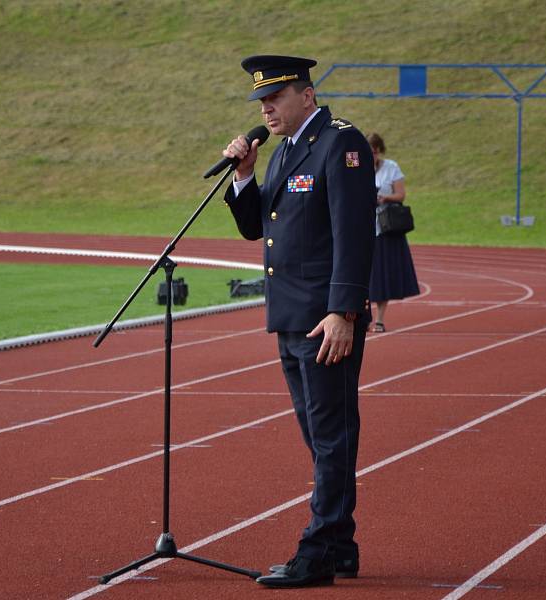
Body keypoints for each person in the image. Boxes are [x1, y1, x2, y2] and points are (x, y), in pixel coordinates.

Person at [221, 55, 376, 588]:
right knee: (319, 434)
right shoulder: (284, 150)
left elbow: (355, 235)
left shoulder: (341, 142)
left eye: (276, 97)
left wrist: (344, 311)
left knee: (330, 433)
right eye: (262, 101)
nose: (266, 108)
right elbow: (257, 227)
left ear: (306, 95)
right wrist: (243, 177)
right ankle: (340, 543)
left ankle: (317, 551)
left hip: (323, 318)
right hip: (289, 315)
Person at [366, 133, 420, 332]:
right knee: (362, 275)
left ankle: (379, 319)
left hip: (385, 228)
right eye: (367, 152)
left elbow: (401, 194)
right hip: (363, 228)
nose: (371, 155)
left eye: (373, 152)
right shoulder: (356, 166)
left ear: (379, 151)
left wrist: (384, 198)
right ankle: (363, 318)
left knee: (383, 275)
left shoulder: (391, 167)